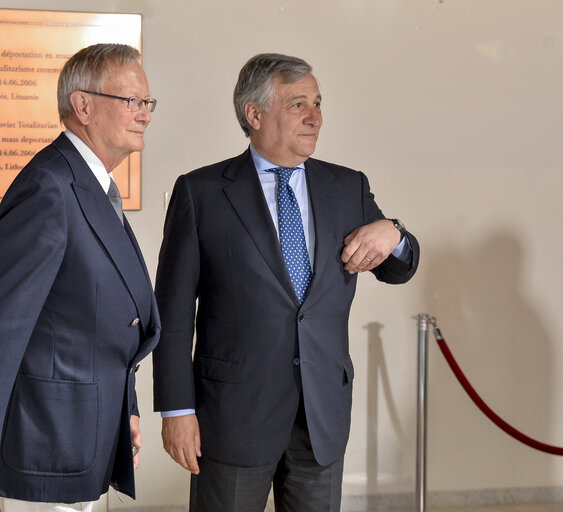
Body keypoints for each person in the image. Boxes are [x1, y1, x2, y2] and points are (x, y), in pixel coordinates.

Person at [152, 53, 420, 512]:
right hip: (233, 414)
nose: (315, 117)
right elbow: (173, 313)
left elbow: (400, 267)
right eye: (298, 105)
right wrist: (177, 410)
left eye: (317, 103)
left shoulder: (347, 187)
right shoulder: (201, 193)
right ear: (254, 114)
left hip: (320, 418)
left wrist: (393, 231)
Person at [0, 43, 160, 512]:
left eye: (147, 103)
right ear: (83, 106)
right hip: (46, 443)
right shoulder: (49, 186)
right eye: (132, 102)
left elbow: (99, 316)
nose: (145, 114)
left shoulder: (92, 184)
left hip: (83, 435)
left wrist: (127, 408)